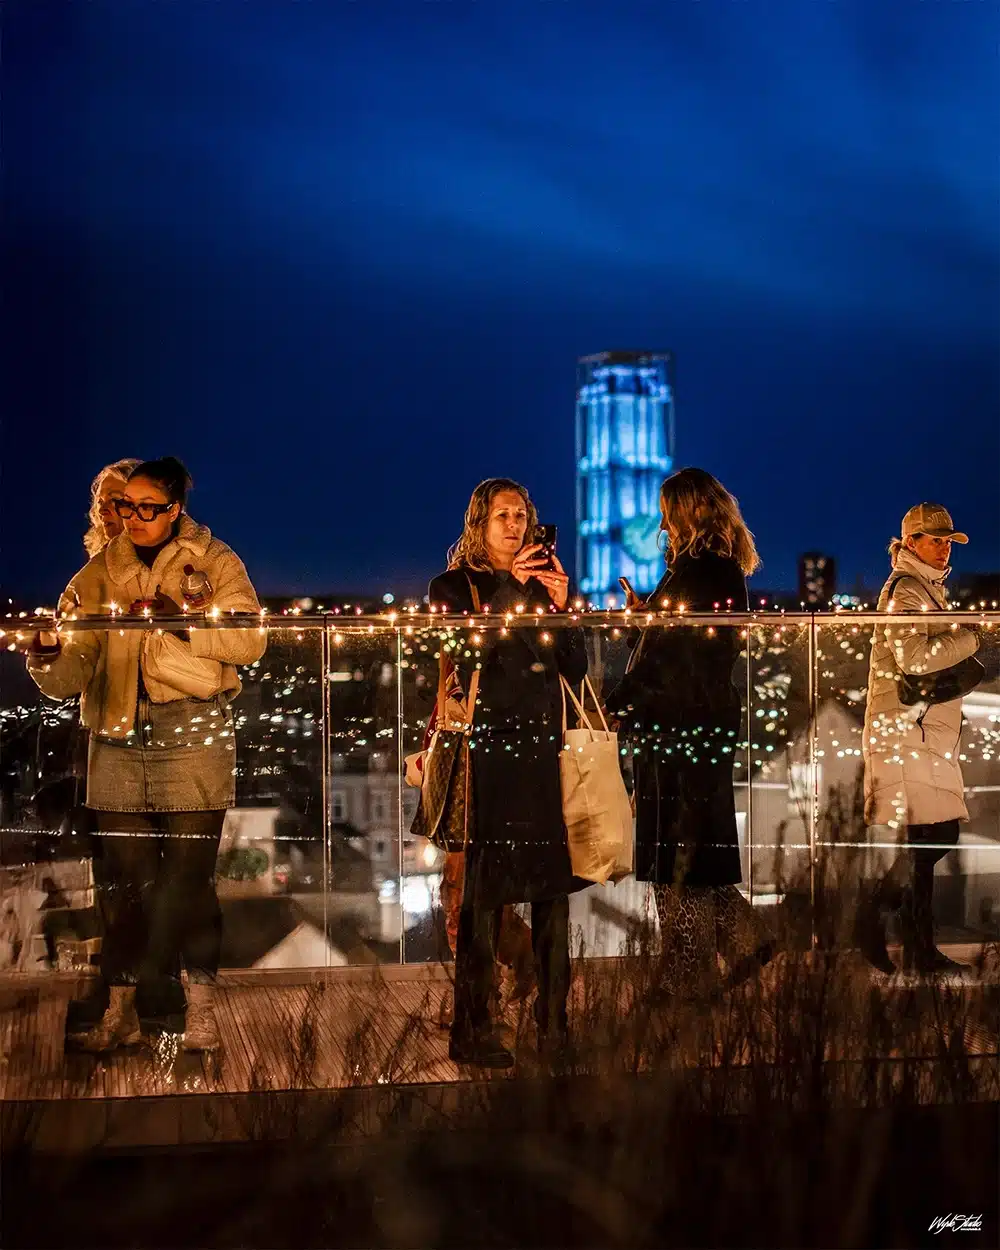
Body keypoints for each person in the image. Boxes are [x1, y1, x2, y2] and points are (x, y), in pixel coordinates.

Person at [26, 457, 266, 1051]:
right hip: (116, 737)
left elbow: (250, 638)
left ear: (174, 508)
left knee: (187, 882)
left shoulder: (214, 561)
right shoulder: (95, 575)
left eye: (144, 507)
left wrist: (182, 623)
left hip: (192, 735)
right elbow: (68, 679)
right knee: (128, 887)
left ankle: (196, 1009)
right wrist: (47, 654)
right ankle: (129, 1006)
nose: (130, 517)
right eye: (123, 506)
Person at [428, 478, 587, 1068]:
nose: (515, 525)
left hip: (543, 757)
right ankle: (475, 1031)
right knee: (481, 902)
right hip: (484, 758)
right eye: (503, 515)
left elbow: (573, 668)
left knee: (553, 896)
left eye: (523, 515)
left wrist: (563, 606)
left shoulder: (543, 587)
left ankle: (554, 1026)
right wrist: (513, 592)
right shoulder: (451, 587)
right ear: (479, 524)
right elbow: (465, 656)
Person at [609, 468, 769, 998]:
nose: (662, 521)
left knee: (674, 847)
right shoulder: (714, 569)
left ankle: (688, 972)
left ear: (687, 510)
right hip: (699, 724)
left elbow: (676, 659)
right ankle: (741, 941)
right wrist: (647, 616)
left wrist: (620, 700)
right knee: (689, 844)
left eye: (667, 510)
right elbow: (684, 644)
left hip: (680, 726)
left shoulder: (699, 571)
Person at [859, 503, 980, 977]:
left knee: (927, 838)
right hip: (910, 730)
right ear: (910, 542)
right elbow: (912, 659)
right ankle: (878, 923)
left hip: (918, 730)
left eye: (949, 539)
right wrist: (972, 640)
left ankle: (914, 946)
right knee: (932, 836)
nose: (944, 546)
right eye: (935, 539)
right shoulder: (907, 589)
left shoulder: (921, 587)